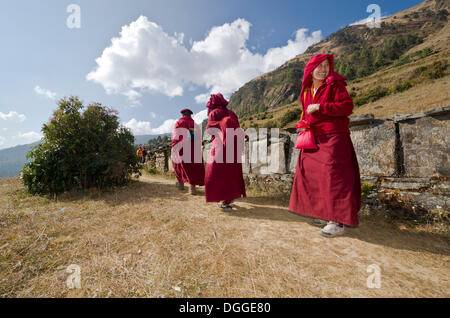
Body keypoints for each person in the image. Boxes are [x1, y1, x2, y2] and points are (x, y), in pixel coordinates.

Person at [289, 54, 361, 238]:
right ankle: (324, 213)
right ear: (311, 70)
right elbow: (307, 113)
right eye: (319, 66)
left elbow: (347, 107)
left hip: (333, 137)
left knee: (333, 176)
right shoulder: (306, 91)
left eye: (326, 65)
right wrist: (304, 123)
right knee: (312, 175)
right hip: (313, 137)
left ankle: (337, 221)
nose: (323, 69)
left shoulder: (335, 84)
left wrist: (322, 108)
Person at [204, 93, 246, 210]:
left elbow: (209, 130)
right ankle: (228, 200)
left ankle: (220, 197)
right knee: (231, 173)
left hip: (219, 145)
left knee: (215, 173)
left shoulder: (214, 113)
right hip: (233, 146)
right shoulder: (231, 113)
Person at [171, 108, 205, 195]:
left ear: (182, 114)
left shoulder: (179, 122)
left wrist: (174, 146)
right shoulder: (195, 125)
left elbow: (176, 136)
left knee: (179, 166)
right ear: (190, 115)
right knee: (193, 167)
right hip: (194, 148)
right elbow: (198, 138)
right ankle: (192, 187)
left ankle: (181, 184)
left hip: (182, 147)